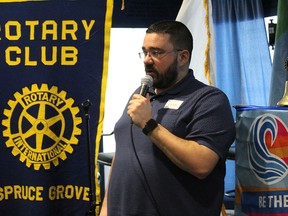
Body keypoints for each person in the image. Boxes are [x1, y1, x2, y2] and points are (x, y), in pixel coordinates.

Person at [100, 20, 235, 216]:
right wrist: (105, 210)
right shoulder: (141, 94)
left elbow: (202, 163)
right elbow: (123, 153)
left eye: (156, 52)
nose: (147, 60)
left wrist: (149, 125)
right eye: (145, 52)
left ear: (182, 57)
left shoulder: (209, 100)